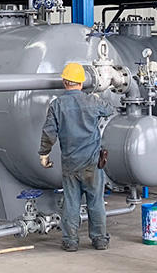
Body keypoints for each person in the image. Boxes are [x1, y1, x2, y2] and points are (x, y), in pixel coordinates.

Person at [38, 62, 115, 252]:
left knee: (71, 203)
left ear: (65, 82)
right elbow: (110, 110)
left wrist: (44, 154)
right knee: (96, 202)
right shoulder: (92, 101)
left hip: (70, 163)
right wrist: (97, 97)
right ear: (81, 83)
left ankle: (70, 241)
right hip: (92, 163)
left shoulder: (57, 105)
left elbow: (49, 133)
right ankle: (99, 240)